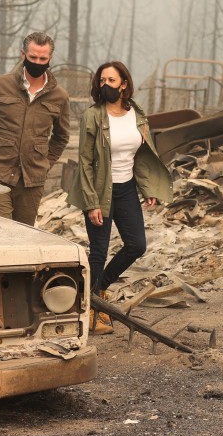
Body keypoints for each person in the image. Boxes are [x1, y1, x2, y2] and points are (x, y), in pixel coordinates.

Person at [67, 61, 173, 334]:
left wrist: (147, 188)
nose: (105, 85)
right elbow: (85, 162)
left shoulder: (137, 115)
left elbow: (140, 155)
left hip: (125, 188)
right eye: (102, 80)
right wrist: (91, 203)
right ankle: (92, 310)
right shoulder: (92, 116)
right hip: (100, 191)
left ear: (124, 84)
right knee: (99, 251)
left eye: (111, 81)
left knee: (137, 245)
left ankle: (98, 289)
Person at [0, 32, 71, 225]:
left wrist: (45, 163)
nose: (38, 62)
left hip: (32, 181)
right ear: (23, 54)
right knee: (0, 231)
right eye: (33, 57)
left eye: (43, 58)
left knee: (24, 235)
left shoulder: (59, 96)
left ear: (50, 59)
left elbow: (61, 137)